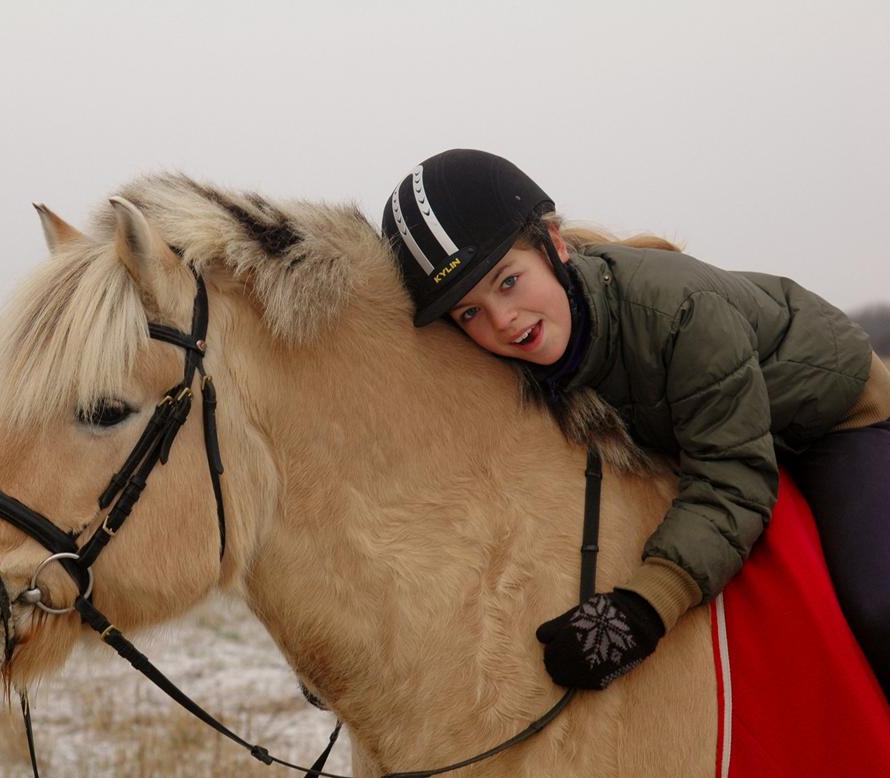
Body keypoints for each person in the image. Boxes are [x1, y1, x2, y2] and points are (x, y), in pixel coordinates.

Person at [381, 148, 890, 694]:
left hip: (829, 417)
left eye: (508, 281)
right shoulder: (517, 353)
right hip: (706, 431)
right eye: (470, 312)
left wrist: (644, 608)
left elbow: (733, 477)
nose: (503, 321)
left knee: (875, 601)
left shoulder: (679, 312)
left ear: (553, 246)